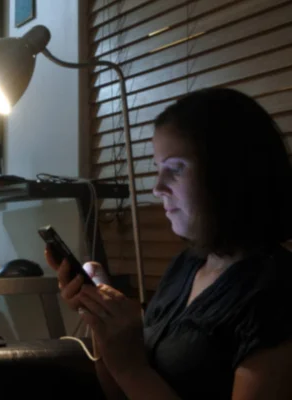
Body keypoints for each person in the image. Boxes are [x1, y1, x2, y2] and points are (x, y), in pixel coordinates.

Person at [46, 87, 292, 399]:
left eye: (175, 169)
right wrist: (103, 325)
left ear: (229, 173)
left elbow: (133, 373)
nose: (157, 187)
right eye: (158, 168)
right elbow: (119, 393)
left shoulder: (276, 292)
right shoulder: (186, 265)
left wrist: (131, 367)